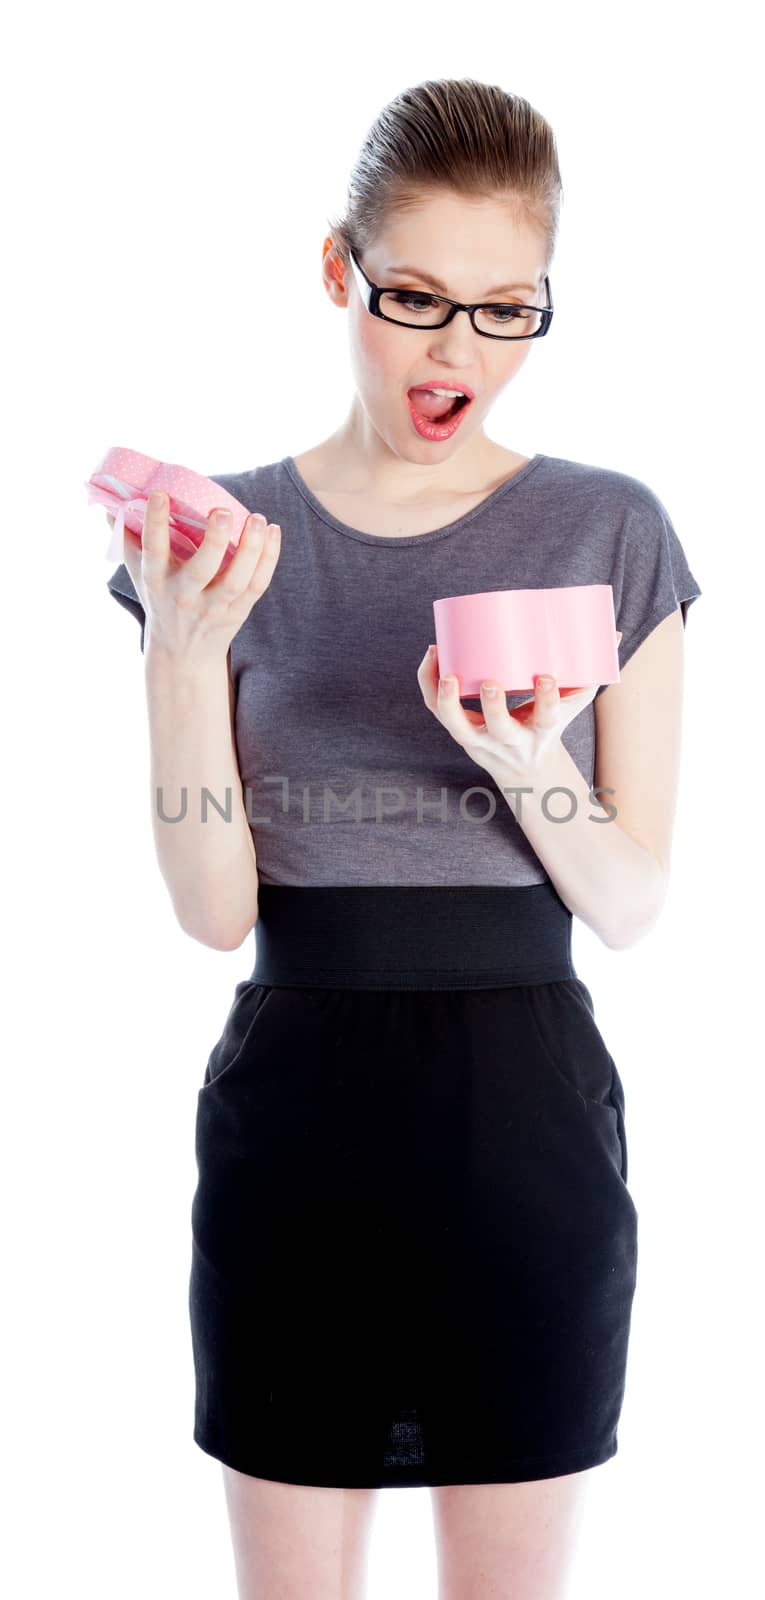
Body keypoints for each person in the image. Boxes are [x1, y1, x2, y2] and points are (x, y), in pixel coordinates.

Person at [105, 78, 702, 1600]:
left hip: (524, 1122)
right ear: (336, 274)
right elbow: (212, 907)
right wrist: (183, 657)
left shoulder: (609, 528)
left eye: (508, 309)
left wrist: (518, 760)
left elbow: (631, 903)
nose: (459, 351)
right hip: (297, 1112)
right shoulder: (223, 538)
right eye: (419, 297)